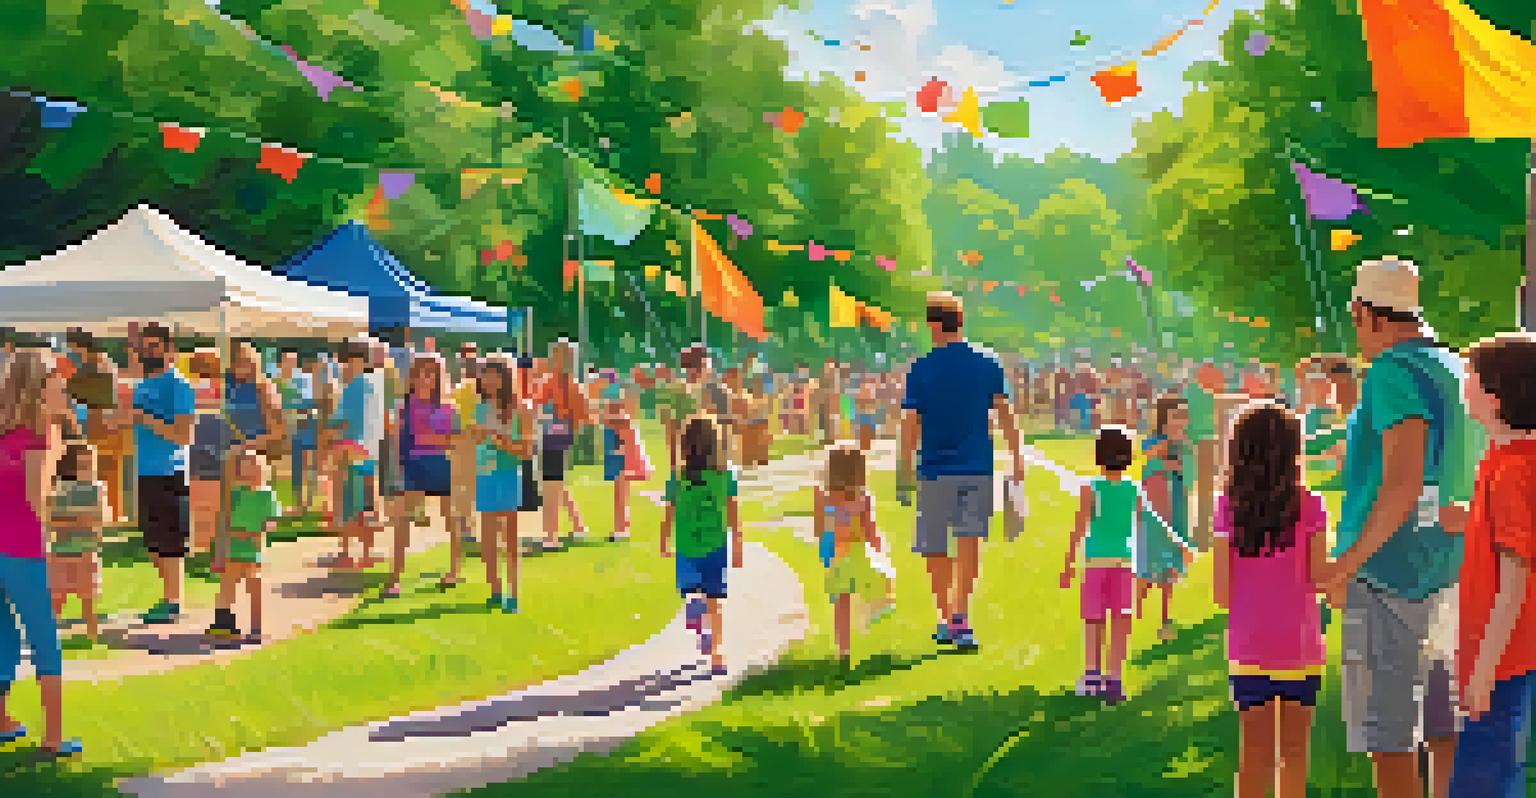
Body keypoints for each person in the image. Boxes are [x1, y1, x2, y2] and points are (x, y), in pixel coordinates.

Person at [1315, 257, 1482, 798]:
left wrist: (1347, 562)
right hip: (1452, 567)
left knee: (1391, 742)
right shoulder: (1455, 366)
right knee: (1445, 732)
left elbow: (1403, 480)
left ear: (1366, 315)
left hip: (1389, 575)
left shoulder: (1389, 369)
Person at [1214, 403, 1329, 798]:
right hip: (1300, 647)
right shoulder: (1311, 505)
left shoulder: (1227, 507)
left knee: (1254, 754)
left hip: (1248, 647)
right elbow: (1319, 581)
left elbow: (1220, 595)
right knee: (1294, 754)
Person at [900, 292, 1025, 653]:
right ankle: (961, 616)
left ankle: (946, 615)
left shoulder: (921, 368)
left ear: (934, 325)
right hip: (977, 465)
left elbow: (911, 422)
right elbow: (1005, 414)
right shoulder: (988, 362)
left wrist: (903, 468)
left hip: (934, 467)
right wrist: (1017, 457)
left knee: (935, 545)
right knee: (969, 540)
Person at [1446, 333, 1536, 796]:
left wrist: (1484, 668)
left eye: (1471, 379)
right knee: (1504, 768)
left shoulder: (1511, 470)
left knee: (1483, 777)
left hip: (1505, 656)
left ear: (1497, 396)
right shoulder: (1507, 459)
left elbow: (1517, 575)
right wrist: (1472, 522)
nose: (1465, 386)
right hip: (1511, 655)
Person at [0, 348, 81, 757]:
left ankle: (2, 720)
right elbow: (37, 497)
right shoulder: (40, 428)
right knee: (44, 638)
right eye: (57, 378)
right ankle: (55, 738)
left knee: (2, 633)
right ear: (41, 382)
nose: (62, 384)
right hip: (22, 547)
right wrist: (56, 454)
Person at [1060, 426, 1160, 706]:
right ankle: (1114, 677)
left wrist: (1068, 563)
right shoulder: (1133, 489)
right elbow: (1145, 525)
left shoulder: (1090, 488)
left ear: (1097, 456)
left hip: (1095, 563)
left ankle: (1092, 676)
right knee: (1120, 619)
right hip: (1124, 563)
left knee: (1093, 619)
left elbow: (1079, 529)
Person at [124, 324, 197, 625]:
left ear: (169, 350)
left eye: (156, 346)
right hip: (143, 471)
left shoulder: (178, 385)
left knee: (170, 542)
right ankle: (169, 599)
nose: (149, 352)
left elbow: (184, 435)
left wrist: (144, 418)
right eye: (146, 346)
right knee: (153, 542)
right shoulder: (142, 384)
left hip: (171, 472)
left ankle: (173, 603)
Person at [660, 417, 741, 676]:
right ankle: (717, 652)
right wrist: (737, 541)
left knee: (693, 592)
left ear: (686, 446)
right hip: (715, 544)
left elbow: (669, 511)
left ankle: (698, 625)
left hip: (686, 545)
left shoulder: (678, 476)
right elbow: (733, 510)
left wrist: (664, 540)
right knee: (715, 599)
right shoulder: (724, 474)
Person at [387, 354, 460, 596]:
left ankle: (454, 570)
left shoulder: (449, 406)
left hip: (442, 465)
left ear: (439, 377)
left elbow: (459, 441)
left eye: (431, 373)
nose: (425, 378)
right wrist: (396, 470)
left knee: (450, 518)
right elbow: (396, 441)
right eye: (421, 373)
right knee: (401, 520)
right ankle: (395, 578)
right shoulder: (404, 406)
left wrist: (438, 440)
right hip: (412, 466)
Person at [815, 446, 894, 663]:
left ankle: (844, 651)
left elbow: (819, 529)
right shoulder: (863, 499)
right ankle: (877, 611)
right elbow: (870, 531)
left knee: (841, 604)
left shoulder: (824, 498)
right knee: (879, 583)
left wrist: (825, 548)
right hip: (858, 554)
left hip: (836, 557)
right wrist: (880, 548)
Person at [474, 358, 533, 613]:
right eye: (484, 376)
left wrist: (500, 441)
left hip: (509, 475)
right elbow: (476, 443)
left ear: (505, 378)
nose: (487, 381)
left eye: (493, 376)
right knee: (487, 538)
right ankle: (494, 590)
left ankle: (514, 594)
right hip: (484, 475)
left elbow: (526, 452)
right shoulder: (480, 408)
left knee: (510, 538)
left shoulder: (522, 409)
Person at [1136, 396, 1196, 642]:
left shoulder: (1185, 445)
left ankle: (1165, 618)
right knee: (1148, 569)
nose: (1182, 420)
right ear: (1164, 419)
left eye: (1184, 415)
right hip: (1155, 512)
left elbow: (1190, 474)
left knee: (1171, 568)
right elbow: (1151, 460)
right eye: (1176, 416)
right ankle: (1131, 611)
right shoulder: (1155, 442)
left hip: (1178, 510)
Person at [206, 449, 281, 642]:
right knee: (227, 585)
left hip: (254, 548)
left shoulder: (267, 495)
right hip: (233, 547)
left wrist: (258, 530)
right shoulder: (235, 493)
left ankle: (257, 627)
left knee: (254, 584)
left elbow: (272, 520)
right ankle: (223, 623)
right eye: (247, 470)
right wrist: (218, 551)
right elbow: (223, 519)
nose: (251, 476)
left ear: (264, 472)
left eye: (255, 469)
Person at [332, 339, 385, 569]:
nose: (343, 366)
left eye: (345, 361)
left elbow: (340, 421)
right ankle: (366, 552)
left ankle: (346, 551)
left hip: (351, 448)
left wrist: (332, 447)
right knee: (367, 502)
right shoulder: (375, 384)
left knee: (348, 502)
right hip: (371, 451)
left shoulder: (351, 386)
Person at [48, 443, 107, 644]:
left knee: (88, 597)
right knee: (56, 598)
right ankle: (50, 638)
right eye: (82, 464)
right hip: (58, 553)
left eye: (91, 464)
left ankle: (92, 636)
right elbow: (50, 519)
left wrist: (72, 518)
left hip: (86, 552)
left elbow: (99, 517)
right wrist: (80, 519)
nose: (88, 469)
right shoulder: (58, 488)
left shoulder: (97, 488)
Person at [536, 342, 589, 551]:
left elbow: (581, 415)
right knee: (555, 483)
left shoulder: (565, 384)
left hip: (555, 438)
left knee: (551, 486)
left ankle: (552, 537)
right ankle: (578, 526)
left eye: (556, 355)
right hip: (557, 437)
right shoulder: (559, 382)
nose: (553, 359)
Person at [450, 342, 483, 549]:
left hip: (459, 440)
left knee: (460, 486)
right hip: (471, 441)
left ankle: (463, 525)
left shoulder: (459, 389)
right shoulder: (477, 391)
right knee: (470, 487)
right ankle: (467, 527)